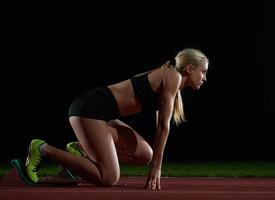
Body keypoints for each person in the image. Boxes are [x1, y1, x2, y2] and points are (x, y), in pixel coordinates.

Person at [25, 48, 209, 190]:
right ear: (189, 68)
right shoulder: (172, 76)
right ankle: (42, 149)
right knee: (108, 178)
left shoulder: (169, 78)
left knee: (145, 154)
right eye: (203, 71)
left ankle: (81, 150)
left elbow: (159, 124)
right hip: (89, 110)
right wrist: (157, 167)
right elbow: (162, 126)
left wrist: (153, 162)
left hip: (103, 117)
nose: (205, 77)